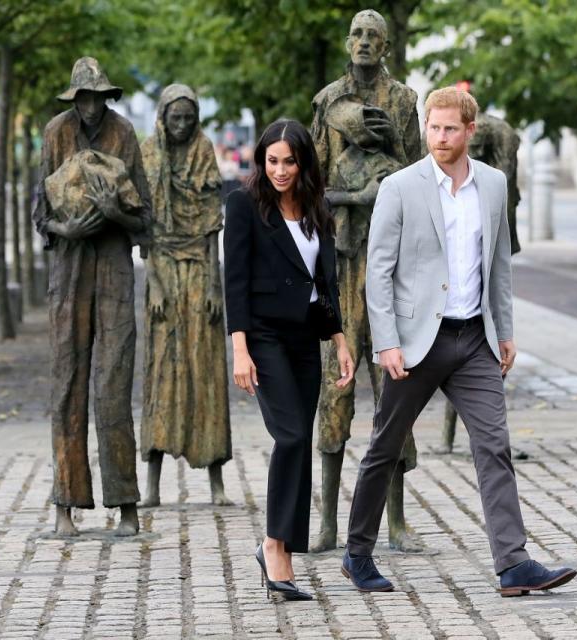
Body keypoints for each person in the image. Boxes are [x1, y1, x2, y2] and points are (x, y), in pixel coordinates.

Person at [341, 86, 576, 597]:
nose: (440, 137)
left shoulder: (492, 185)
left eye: (450, 129)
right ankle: (357, 554)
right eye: (433, 127)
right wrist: (386, 342)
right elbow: (377, 272)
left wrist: (505, 330)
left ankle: (513, 564)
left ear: (470, 131)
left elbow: (498, 266)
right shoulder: (400, 187)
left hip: (474, 341)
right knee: (385, 447)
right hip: (416, 341)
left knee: (494, 446)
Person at [224, 119, 354, 601]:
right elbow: (234, 281)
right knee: (293, 435)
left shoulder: (317, 207)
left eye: (288, 161)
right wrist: (239, 347)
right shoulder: (244, 205)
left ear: (304, 162)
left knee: (300, 441)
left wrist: (339, 339)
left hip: (305, 338)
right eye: (272, 161)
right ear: (262, 161)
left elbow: (325, 282)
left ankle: (281, 547)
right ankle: (275, 547)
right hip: (263, 337)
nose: (279, 170)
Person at [309, 8, 423, 553]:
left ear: (386, 46)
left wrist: (386, 149)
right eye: (356, 34)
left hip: (392, 265)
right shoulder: (327, 102)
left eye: (373, 36)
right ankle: (329, 519)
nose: (362, 43)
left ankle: (395, 519)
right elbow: (311, 185)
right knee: (337, 383)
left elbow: (417, 177)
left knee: (393, 387)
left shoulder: (402, 101)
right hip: (341, 260)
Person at [32, 57, 151, 537]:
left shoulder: (125, 134)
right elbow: (40, 213)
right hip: (69, 267)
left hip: (115, 268)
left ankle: (125, 503)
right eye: (82, 98)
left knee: (113, 384)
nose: (89, 106)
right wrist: (67, 227)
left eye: (96, 98)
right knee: (67, 383)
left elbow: (146, 218)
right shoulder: (54, 133)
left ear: (106, 98)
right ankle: (65, 502)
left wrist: (113, 214)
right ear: (73, 99)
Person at [139, 84, 232, 506]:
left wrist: (215, 284)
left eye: (188, 118)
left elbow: (213, 224)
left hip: (199, 271)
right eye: (174, 118)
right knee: (162, 371)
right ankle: (153, 484)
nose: (181, 125)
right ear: (162, 117)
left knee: (205, 368)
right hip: (162, 271)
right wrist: (154, 283)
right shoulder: (148, 153)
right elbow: (144, 229)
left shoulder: (204, 150)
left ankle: (215, 480)